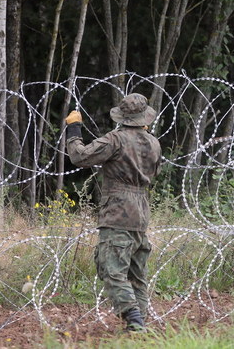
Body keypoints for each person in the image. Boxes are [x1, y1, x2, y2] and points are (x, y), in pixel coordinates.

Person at [65, 93, 162, 331]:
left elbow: (79, 156)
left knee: (111, 269)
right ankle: (138, 325)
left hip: (118, 211)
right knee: (137, 274)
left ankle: (135, 321)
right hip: (141, 211)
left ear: (123, 117)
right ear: (144, 118)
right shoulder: (154, 142)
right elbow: (154, 173)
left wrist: (74, 129)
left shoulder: (115, 140)